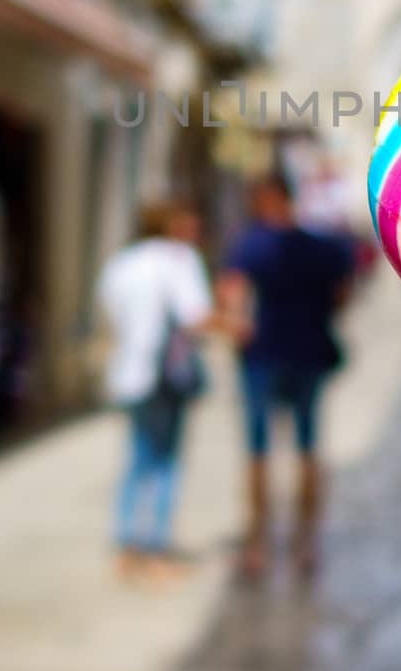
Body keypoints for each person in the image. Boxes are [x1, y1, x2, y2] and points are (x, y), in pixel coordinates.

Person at [220, 172, 354, 581]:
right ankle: (305, 543)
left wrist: (238, 326)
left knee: (259, 450)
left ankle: (258, 544)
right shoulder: (323, 247)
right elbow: (343, 294)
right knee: (308, 447)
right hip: (310, 351)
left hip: (263, 356)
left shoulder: (249, 245)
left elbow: (233, 296)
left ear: (263, 201)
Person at [97, 200, 214, 585]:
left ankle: (126, 544)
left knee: (137, 459)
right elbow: (195, 316)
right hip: (165, 376)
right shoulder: (179, 260)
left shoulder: (121, 264)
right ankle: (155, 548)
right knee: (165, 463)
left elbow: (109, 313)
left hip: (129, 373)